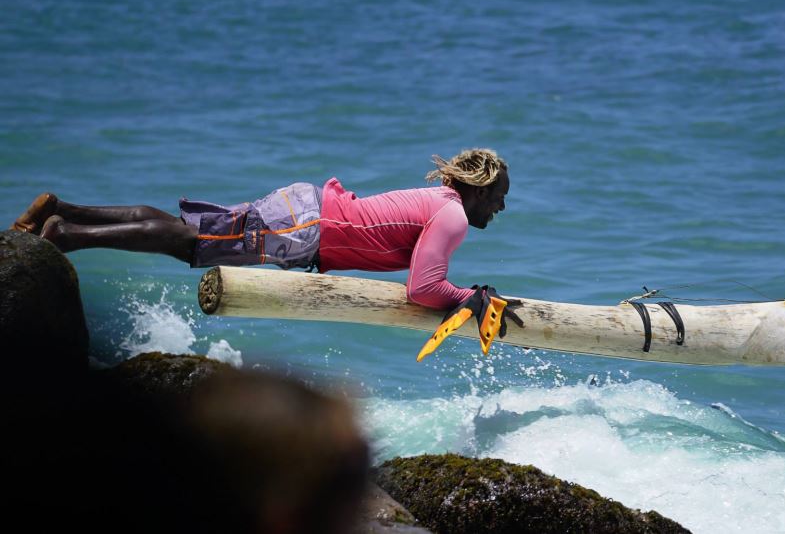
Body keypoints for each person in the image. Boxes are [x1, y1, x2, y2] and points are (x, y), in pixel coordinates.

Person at [10, 149, 520, 355]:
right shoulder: (452, 216)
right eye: (499, 198)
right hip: (305, 229)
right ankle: (69, 236)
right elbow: (423, 288)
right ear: (480, 189)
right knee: (191, 244)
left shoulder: (441, 201)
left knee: (188, 232)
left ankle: (64, 211)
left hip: (306, 212)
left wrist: (462, 295)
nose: (499, 209)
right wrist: (468, 296)